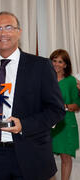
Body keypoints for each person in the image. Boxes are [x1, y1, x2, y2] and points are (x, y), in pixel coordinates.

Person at [0, 11, 65, 180]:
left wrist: (24, 124)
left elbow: (57, 110)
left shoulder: (40, 66)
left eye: (9, 27)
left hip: (29, 154)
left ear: (19, 32)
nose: (3, 33)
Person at [50, 49, 80, 180]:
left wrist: (64, 107)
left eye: (60, 62)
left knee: (65, 157)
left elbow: (77, 105)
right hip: (48, 123)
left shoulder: (71, 81)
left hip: (66, 124)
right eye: (54, 60)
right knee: (46, 158)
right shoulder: (45, 79)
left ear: (65, 65)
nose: (56, 64)